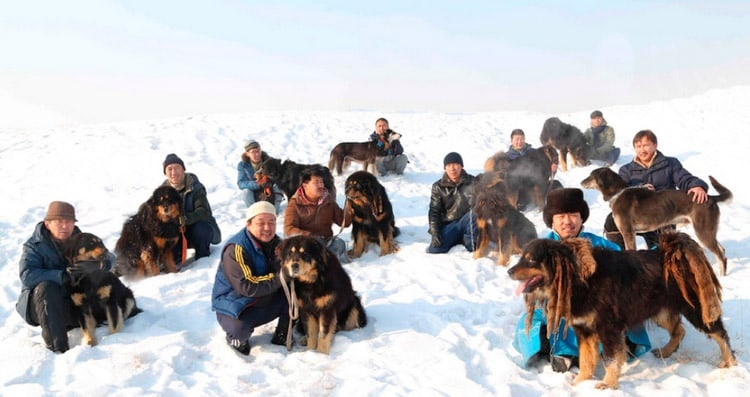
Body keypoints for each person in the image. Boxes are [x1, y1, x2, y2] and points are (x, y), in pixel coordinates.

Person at [512, 188, 651, 372]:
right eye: (561, 216)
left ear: (581, 218)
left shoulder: (602, 247)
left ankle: (604, 350)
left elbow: (628, 275)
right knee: (530, 324)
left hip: (599, 313)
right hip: (558, 315)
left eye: (573, 215)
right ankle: (564, 353)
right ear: (551, 220)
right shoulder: (540, 249)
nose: (567, 222)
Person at [16, 201, 114, 353]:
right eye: (59, 222)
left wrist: (99, 265)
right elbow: (27, 275)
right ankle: (58, 348)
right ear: (47, 224)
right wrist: (63, 276)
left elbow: (110, 257)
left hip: (72, 302)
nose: (64, 226)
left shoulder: (83, 240)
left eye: (69, 222)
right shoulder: (34, 245)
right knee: (47, 287)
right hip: (41, 305)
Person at [603, 129, 708, 249]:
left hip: (662, 215)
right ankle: (623, 255)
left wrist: (696, 185)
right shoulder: (626, 170)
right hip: (635, 216)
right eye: (638, 146)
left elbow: (684, 178)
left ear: (655, 145)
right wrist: (640, 189)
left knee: (660, 255)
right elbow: (617, 194)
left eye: (646, 145)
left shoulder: (670, 164)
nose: (642, 150)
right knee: (611, 221)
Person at [211, 201, 289, 355]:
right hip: (235, 303)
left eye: (271, 222)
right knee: (239, 331)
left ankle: (283, 333)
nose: (267, 228)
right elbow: (247, 286)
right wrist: (281, 277)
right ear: (249, 224)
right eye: (261, 223)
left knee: (297, 295)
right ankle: (236, 340)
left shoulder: (278, 244)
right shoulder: (236, 249)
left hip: (263, 296)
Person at [284, 165, 352, 264]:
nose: (321, 185)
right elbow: (289, 229)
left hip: (325, 242)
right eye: (316, 182)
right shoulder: (295, 204)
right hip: (304, 244)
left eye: (321, 182)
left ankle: (324, 260)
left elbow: (343, 221)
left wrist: (350, 208)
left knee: (339, 244)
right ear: (305, 185)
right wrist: (309, 236)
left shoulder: (328, 200)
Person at [162, 153, 222, 262]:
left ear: (183, 169)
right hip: (176, 232)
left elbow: (203, 211)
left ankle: (203, 258)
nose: (173, 172)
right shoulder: (162, 193)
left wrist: (185, 219)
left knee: (201, 229)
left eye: (177, 168)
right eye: (169, 169)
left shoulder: (195, 187)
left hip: (197, 228)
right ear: (165, 173)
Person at [427, 152, 478, 254]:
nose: (452, 169)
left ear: (461, 166)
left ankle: (471, 245)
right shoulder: (438, 187)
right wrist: (435, 233)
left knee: (474, 212)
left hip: (468, 223)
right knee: (435, 249)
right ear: (445, 168)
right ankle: (458, 238)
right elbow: (434, 211)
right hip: (449, 225)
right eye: (449, 165)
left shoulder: (473, 181)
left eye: (455, 165)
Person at [237, 140, 284, 212]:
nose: (257, 154)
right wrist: (257, 184)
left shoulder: (270, 161)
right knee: (246, 192)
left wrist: (269, 180)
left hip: (270, 191)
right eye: (253, 152)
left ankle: (274, 211)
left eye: (258, 151)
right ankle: (254, 212)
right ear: (247, 154)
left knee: (279, 186)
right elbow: (241, 183)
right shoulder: (243, 165)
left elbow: (281, 176)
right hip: (254, 192)